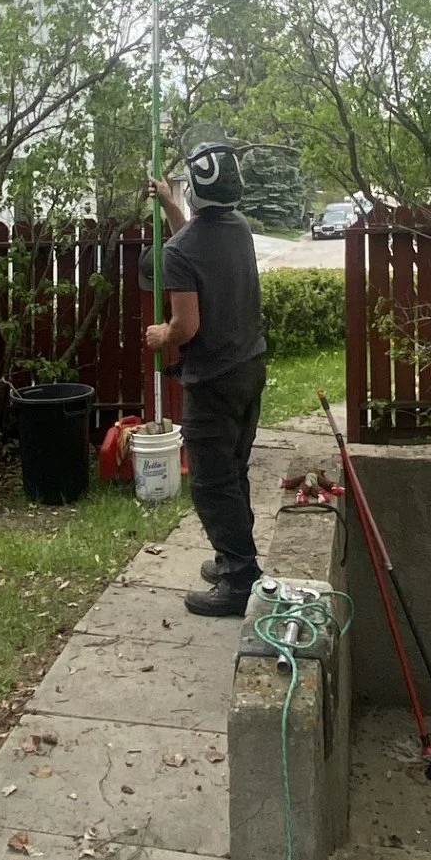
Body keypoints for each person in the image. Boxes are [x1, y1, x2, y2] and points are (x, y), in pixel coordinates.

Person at [142, 143, 266, 616]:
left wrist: (161, 334)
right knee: (233, 472)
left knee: (212, 484)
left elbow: (186, 326)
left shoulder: (181, 252)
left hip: (212, 380)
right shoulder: (239, 229)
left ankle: (239, 580)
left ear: (196, 189)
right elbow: (193, 242)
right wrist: (171, 206)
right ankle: (234, 557)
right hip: (249, 368)